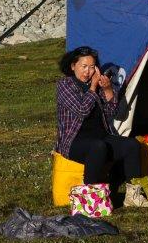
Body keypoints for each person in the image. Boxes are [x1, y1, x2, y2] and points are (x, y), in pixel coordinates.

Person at [55, 45, 142, 204]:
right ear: (73, 66)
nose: (87, 71)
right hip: (74, 141)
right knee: (98, 147)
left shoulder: (95, 85)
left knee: (132, 145)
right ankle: (91, 199)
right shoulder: (65, 85)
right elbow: (82, 110)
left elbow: (111, 114)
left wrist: (108, 90)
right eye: (83, 66)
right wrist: (94, 87)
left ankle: (133, 195)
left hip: (101, 136)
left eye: (91, 67)